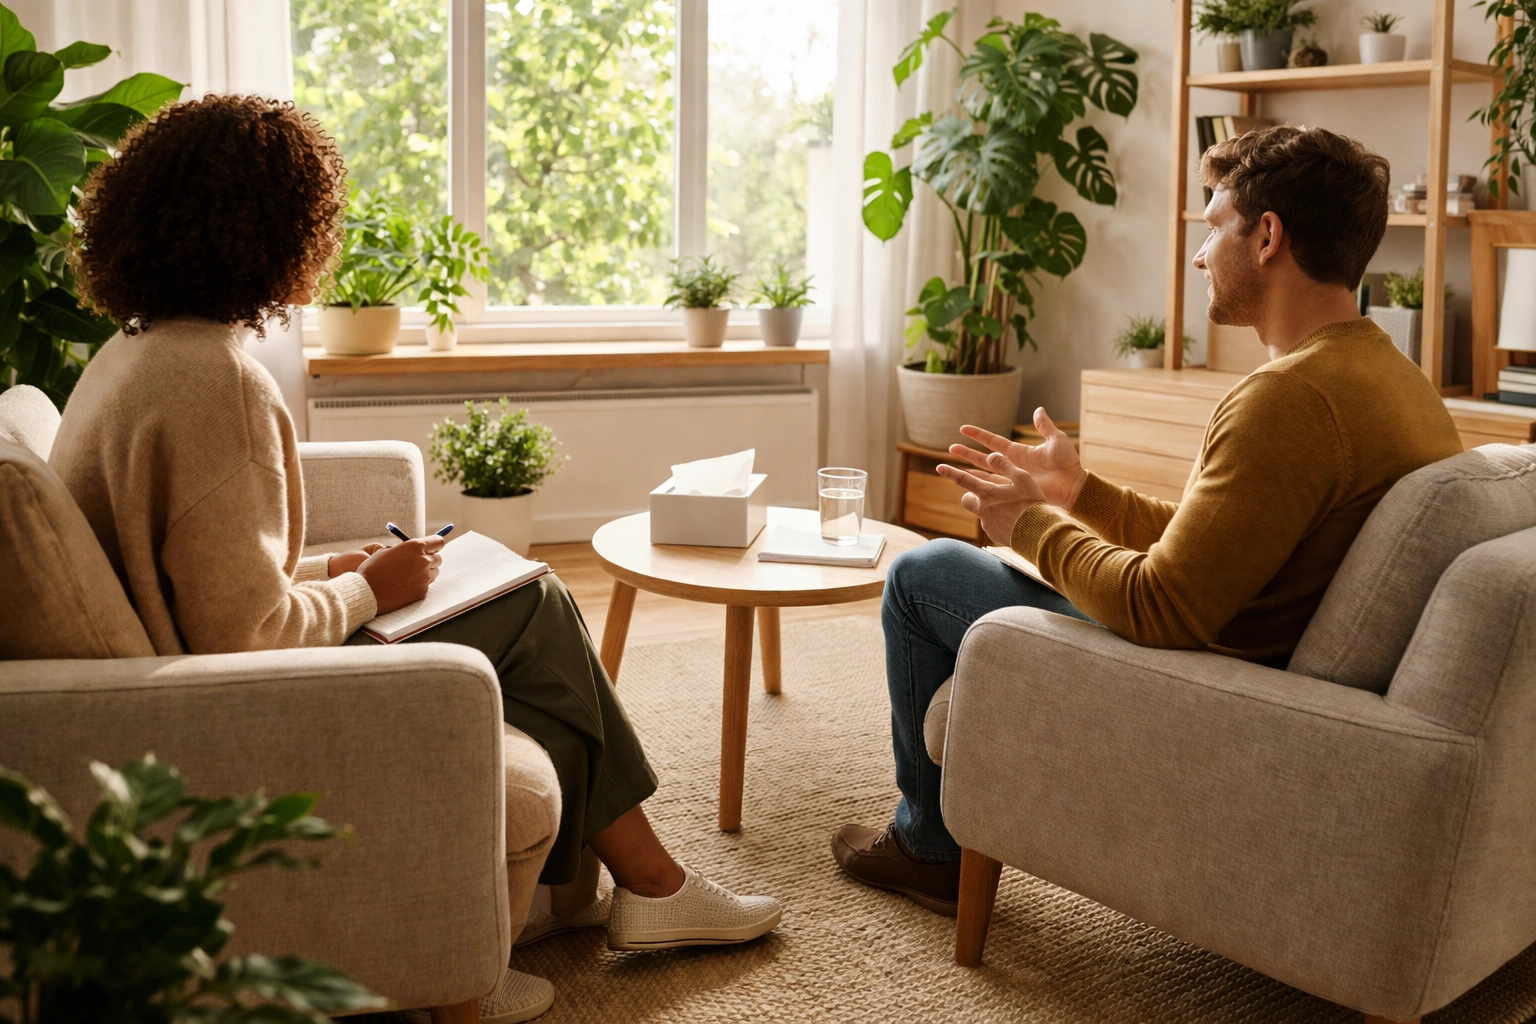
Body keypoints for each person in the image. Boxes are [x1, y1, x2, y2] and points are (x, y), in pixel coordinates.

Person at [51, 95, 781, 1024]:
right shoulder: (214, 380)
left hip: (185, 673)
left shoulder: (136, 350)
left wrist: (334, 574)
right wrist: (367, 586)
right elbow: (245, 632)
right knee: (537, 602)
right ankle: (653, 884)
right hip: (232, 696)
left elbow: (203, 572)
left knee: (521, 607)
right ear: (275, 226)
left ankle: (598, 890)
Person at [831, 125, 1466, 915]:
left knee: (920, 575)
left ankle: (930, 846)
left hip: (1205, 676)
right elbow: (1219, 543)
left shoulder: (1288, 399)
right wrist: (1079, 493)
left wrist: (1025, 524)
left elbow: (1161, 606)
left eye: (1212, 225)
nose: (1200, 255)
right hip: (1245, 642)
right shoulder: (1394, 380)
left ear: (1267, 236)